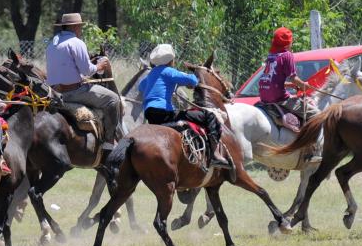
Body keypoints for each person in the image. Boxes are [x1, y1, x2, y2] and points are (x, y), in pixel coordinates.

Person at [139, 44, 231, 168]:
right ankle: (214, 154)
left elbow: (141, 87)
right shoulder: (169, 71)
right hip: (164, 113)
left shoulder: (150, 75)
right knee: (209, 116)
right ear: (171, 60)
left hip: (150, 113)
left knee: (179, 115)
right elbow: (193, 80)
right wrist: (192, 77)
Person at [45, 13, 122, 147]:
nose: (80, 30)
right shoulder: (76, 43)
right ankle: (109, 142)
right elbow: (87, 70)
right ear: (75, 27)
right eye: (80, 27)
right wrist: (99, 66)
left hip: (55, 92)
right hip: (74, 92)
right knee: (113, 99)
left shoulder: (52, 44)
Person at [257, 27, 321, 161]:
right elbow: (293, 77)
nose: (292, 43)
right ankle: (311, 149)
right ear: (287, 42)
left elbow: (272, 79)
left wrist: (290, 85)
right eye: (291, 41)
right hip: (279, 98)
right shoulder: (287, 55)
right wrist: (303, 85)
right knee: (316, 114)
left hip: (264, 96)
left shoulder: (271, 56)